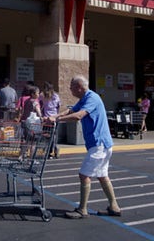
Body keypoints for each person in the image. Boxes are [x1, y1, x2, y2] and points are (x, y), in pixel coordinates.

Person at [48, 75, 121, 219]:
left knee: (84, 175)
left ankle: (82, 209)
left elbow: (78, 116)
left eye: (71, 87)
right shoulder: (84, 99)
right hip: (100, 144)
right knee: (102, 176)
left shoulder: (92, 98)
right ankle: (114, 207)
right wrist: (55, 116)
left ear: (79, 88)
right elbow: (71, 111)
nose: (70, 89)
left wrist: (57, 119)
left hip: (99, 144)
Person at [40, 81, 61, 159]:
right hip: (47, 118)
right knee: (48, 136)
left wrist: (56, 116)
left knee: (52, 136)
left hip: (52, 119)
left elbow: (58, 107)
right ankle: (53, 150)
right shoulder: (43, 96)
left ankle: (51, 150)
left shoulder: (54, 96)